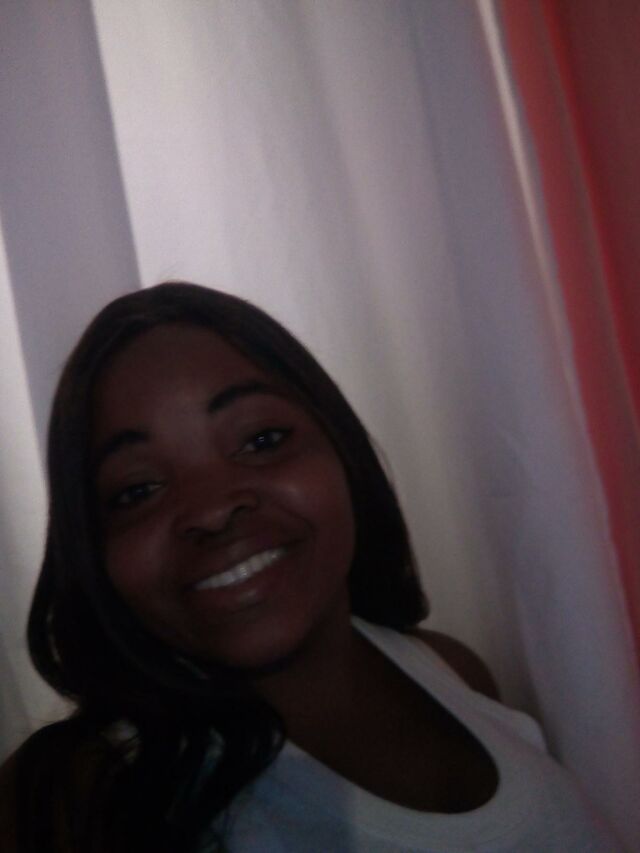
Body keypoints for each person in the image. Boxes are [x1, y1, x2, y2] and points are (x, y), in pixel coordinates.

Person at [0, 282, 622, 852]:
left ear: (340, 450)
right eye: (137, 490)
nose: (212, 509)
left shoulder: (454, 670)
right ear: (92, 548)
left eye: (261, 440)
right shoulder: (75, 793)